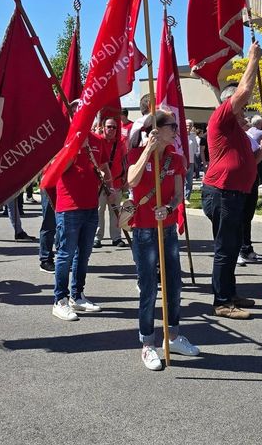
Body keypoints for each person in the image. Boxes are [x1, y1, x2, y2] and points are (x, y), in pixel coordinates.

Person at [201, 41, 262, 319]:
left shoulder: (239, 134)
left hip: (237, 193)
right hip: (222, 192)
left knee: (232, 247)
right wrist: (253, 58)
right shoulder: (221, 118)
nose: (245, 113)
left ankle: (230, 294)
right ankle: (221, 302)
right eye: (242, 109)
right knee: (224, 247)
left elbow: (249, 163)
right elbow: (243, 90)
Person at [127, 109, 199, 370]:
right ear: (156, 130)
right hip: (144, 231)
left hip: (167, 229)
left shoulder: (176, 158)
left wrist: (169, 209)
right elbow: (131, 181)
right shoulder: (136, 154)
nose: (176, 130)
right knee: (148, 289)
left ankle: (174, 336)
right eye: (172, 125)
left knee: (174, 286)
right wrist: (148, 150)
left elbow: (179, 195)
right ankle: (147, 343)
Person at [52, 131, 116, 321]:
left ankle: (77, 295)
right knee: (65, 255)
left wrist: (109, 185)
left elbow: (104, 165)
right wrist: (75, 146)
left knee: (84, 254)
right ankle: (59, 300)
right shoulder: (65, 138)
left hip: (90, 205)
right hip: (68, 207)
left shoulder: (97, 140)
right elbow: (58, 168)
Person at [93, 117, 128, 248]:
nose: (112, 129)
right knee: (99, 211)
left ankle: (116, 237)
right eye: (109, 126)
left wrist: (126, 180)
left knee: (115, 212)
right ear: (103, 127)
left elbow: (125, 162)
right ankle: (97, 237)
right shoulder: (97, 141)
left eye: (114, 127)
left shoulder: (121, 143)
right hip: (100, 184)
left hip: (117, 182)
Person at [238, 115, 262, 265]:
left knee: (247, 217)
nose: (246, 125)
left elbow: (257, 157)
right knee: (238, 218)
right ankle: (238, 249)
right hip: (238, 183)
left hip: (251, 180)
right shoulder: (232, 138)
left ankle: (246, 247)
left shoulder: (248, 138)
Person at [184, 119, 199, 204]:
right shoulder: (181, 135)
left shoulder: (193, 136)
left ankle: (187, 197)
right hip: (183, 161)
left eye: (190, 125)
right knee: (182, 181)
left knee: (189, 181)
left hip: (191, 161)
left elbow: (196, 149)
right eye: (187, 125)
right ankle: (181, 197)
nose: (188, 127)